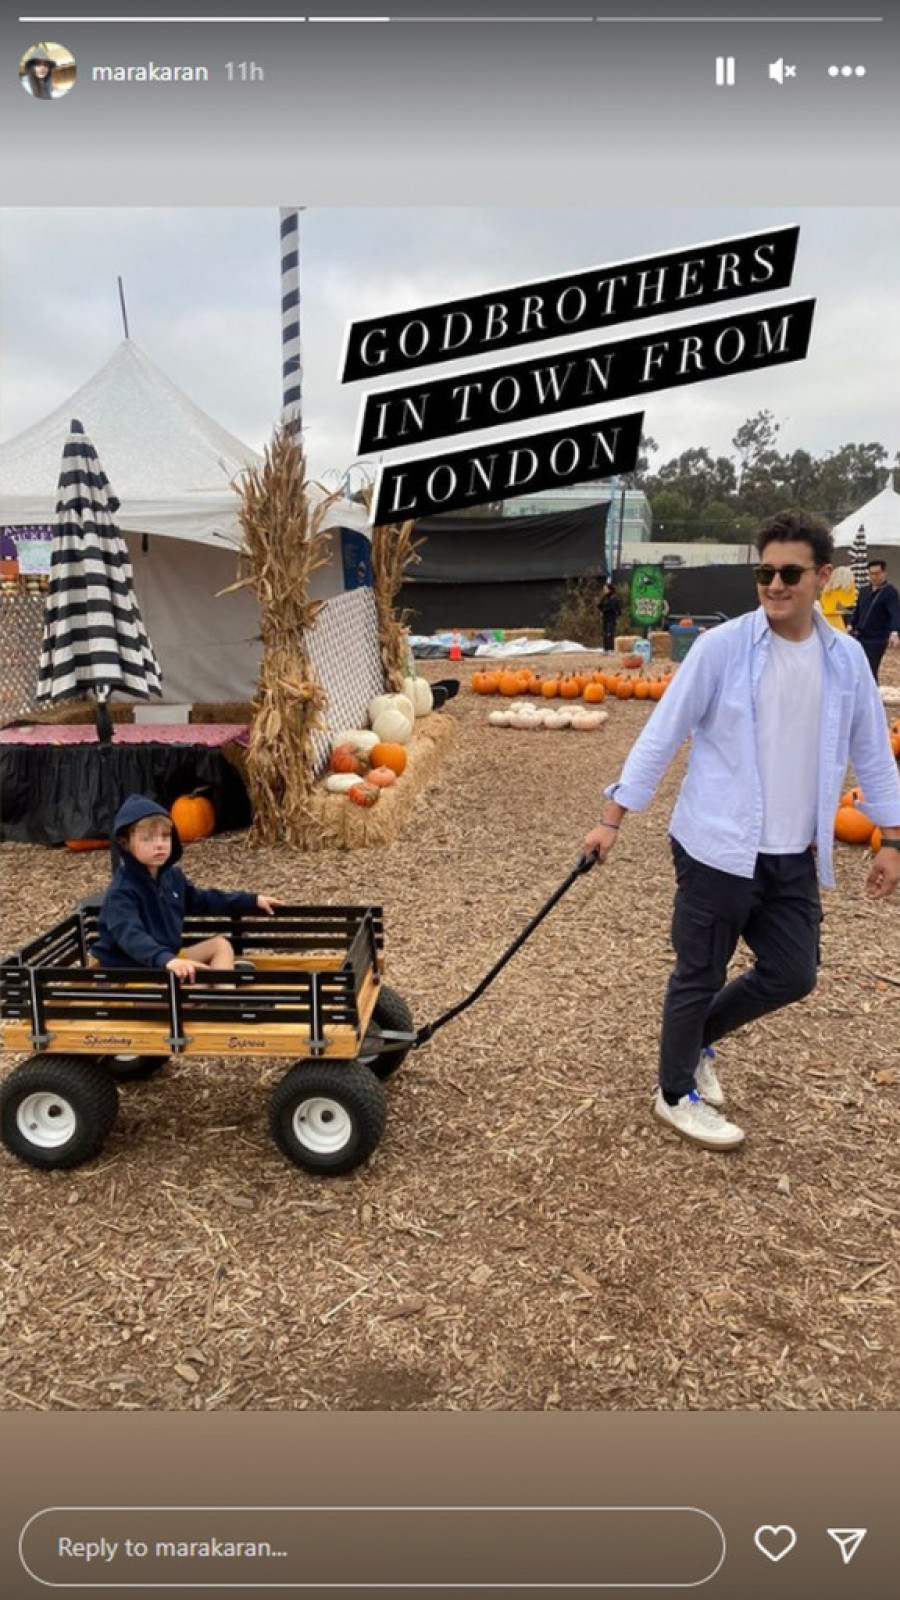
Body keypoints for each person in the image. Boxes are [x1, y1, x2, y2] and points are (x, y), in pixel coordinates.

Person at [582, 510, 900, 1152]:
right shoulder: (723, 649)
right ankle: (674, 1092)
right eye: (765, 572)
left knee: (794, 973)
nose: (775, 584)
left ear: (823, 577)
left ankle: (696, 1040)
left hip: (793, 851)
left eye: (790, 573)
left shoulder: (844, 660)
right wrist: (612, 817)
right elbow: (663, 732)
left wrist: (891, 838)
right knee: (699, 971)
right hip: (716, 845)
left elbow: (872, 750)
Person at [93, 795, 282, 980]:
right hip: (132, 971)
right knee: (192, 990)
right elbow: (130, 935)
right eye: (148, 839)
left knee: (220, 945)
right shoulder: (122, 891)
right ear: (126, 843)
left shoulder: (172, 877)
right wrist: (166, 960)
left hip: (169, 961)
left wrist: (251, 900)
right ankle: (220, 979)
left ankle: (224, 991)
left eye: (165, 836)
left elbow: (204, 900)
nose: (159, 845)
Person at [847, 559, 900, 681]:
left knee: (870, 669)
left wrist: (894, 632)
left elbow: (895, 613)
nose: (874, 577)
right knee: (858, 668)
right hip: (860, 635)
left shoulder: (890, 592)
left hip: (877, 638)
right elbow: (857, 611)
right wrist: (850, 624)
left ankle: (872, 691)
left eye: (877, 573)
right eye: (871, 574)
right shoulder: (864, 591)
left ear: (884, 573)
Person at [599, 579, 621, 653]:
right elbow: (599, 605)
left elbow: (613, 607)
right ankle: (605, 648)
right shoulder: (605, 598)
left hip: (611, 618)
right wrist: (602, 609)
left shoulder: (613, 598)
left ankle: (611, 648)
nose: (604, 590)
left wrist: (605, 609)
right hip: (605, 617)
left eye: (605, 589)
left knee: (610, 632)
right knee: (605, 633)